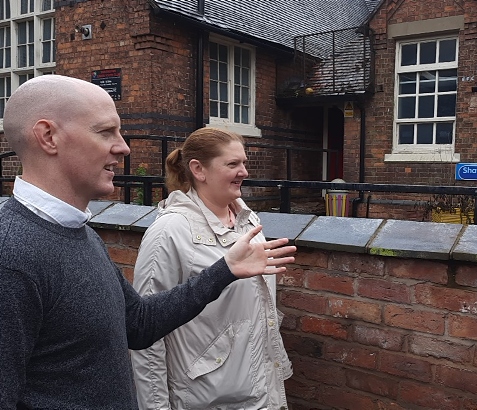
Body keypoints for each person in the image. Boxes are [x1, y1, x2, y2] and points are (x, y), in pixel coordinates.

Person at [0, 75, 296, 409]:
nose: (123, 147)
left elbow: (139, 324)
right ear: (48, 136)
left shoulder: (79, 231)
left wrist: (226, 269)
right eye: (105, 131)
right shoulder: (11, 254)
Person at [130, 128, 292, 409]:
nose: (243, 171)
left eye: (243, 163)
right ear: (198, 170)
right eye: (232, 164)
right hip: (204, 398)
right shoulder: (170, 231)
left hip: (259, 391)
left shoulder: (247, 220)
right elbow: (146, 332)